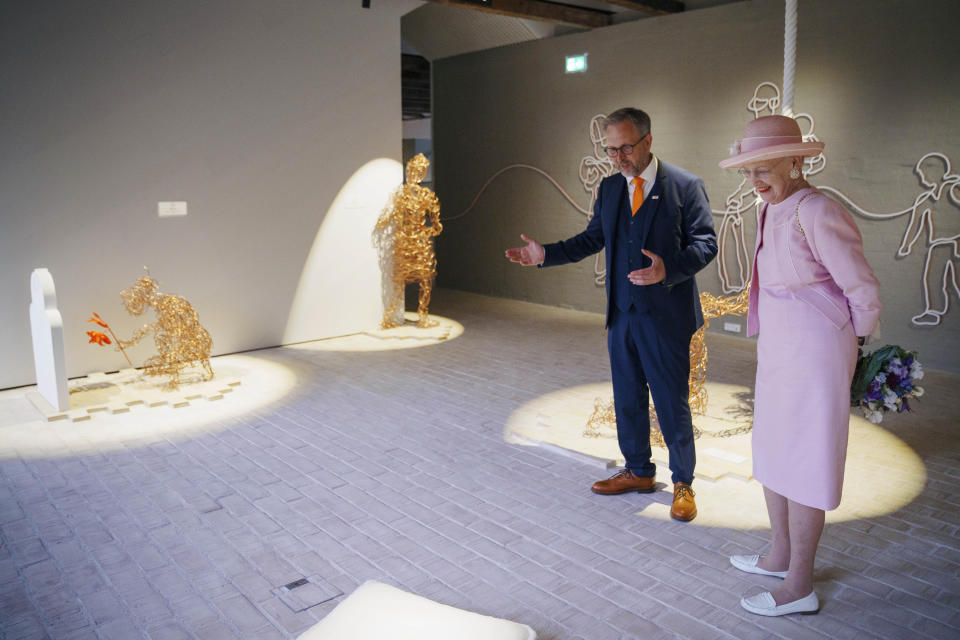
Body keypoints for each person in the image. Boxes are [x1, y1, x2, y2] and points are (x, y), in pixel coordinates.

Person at [505, 107, 717, 522]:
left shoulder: (686, 186)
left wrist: (667, 270)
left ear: (648, 141)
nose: (619, 157)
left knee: (671, 404)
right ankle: (638, 470)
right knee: (627, 401)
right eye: (611, 149)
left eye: (625, 148)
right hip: (622, 316)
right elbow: (592, 239)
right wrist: (544, 253)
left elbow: (706, 242)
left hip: (665, 317)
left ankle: (683, 483)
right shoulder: (611, 188)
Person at [718, 115, 881, 616]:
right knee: (773, 449)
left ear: (797, 160)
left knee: (807, 459)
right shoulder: (774, 207)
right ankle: (779, 554)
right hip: (780, 349)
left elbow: (862, 289)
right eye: (748, 173)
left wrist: (851, 347)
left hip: (815, 352)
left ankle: (799, 585)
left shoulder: (817, 209)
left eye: (763, 169)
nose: (755, 182)